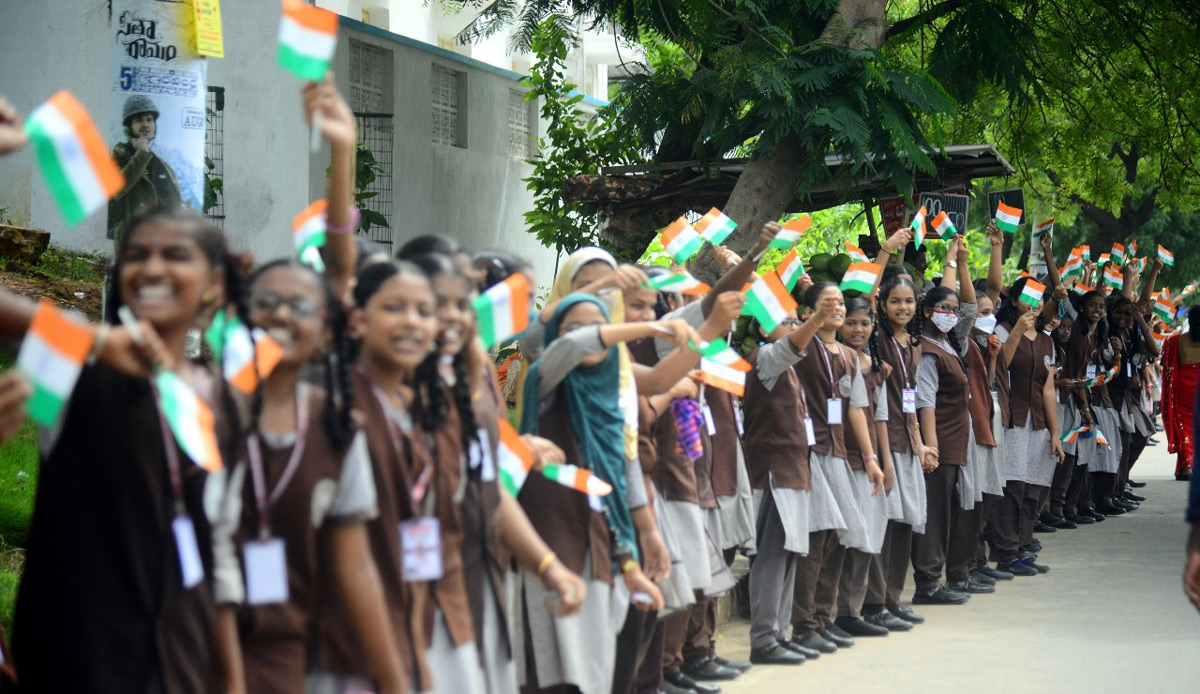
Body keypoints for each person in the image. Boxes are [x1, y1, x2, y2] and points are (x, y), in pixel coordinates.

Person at [11, 206, 244, 693]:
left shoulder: (222, 400)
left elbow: (219, 552)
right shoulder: (73, 373)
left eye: (176, 255)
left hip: (180, 663)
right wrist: (93, 340)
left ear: (213, 283)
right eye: (137, 255)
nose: (153, 268)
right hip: (78, 663)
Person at [214, 260, 408, 694]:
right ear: (240, 317)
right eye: (265, 303)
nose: (281, 315)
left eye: (300, 307)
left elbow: (356, 566)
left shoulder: (335, 428)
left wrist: (394, 681)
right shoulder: (202, 407)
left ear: (325, 333)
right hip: (187, 645)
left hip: (281, 651)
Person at [108, 94, 183, 240]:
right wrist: (141, 154)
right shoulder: (117, 157)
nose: (145, 124)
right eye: (139, 120)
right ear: (129, 126)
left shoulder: (161, 164)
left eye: (149, 120)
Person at [1163, 308, 1200, 481]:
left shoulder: (1176, 341)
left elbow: (1168, 365)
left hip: (1182, 390)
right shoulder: (1175, 340)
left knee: (1184, 427)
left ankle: (1186, 466)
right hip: (1190, 390)